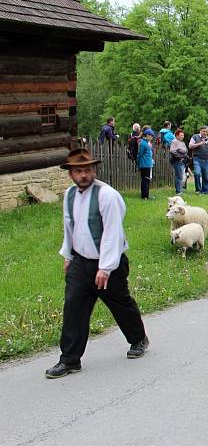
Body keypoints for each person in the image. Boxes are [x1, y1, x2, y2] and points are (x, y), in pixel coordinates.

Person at [46, 149, 149, 379]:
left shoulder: (107, 195)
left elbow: (113, 232)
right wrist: (68, 256)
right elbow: (69, 227)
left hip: (108, 264)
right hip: (81, 264)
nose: (84, 175)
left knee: (120, 303)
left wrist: (106, 267)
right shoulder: (69, 195)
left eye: (88, 170)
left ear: (94, 170)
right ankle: (70, 359)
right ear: (71, 173)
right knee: (74, 307)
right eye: (78, 171)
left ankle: (138, 339)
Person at [188, 125, 208, 194]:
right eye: (203, 131)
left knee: (206, 176)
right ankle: (198, 190)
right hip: (197, 159)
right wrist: (200, 143)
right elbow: (190, 146)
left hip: (206, 159)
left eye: (206, 131)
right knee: (197, 173)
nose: (205, 133)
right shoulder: (195, 136)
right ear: (200, 131)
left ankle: (205, 191)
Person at [168, 128, 188, 195]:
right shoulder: (175, 141)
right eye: (181, 135)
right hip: (177, 161)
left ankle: (180, 189)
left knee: (181, 176)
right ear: (177, 135)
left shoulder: (182, 142)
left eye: (183, 135)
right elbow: (172, 151)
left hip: (183, 162)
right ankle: (178, 191)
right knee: (179, 176)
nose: (182, 137)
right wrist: (179, 158)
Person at [137, 128, 155, 200]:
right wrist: (138, 163)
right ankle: (145, 196)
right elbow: (140, 154)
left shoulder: (146, 143)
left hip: (147, 164)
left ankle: (146, 195)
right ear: (147, 135)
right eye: (151, 136)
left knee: (146, 180)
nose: (152, 137)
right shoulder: (143, 143)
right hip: (145, 165)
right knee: (145, 180)